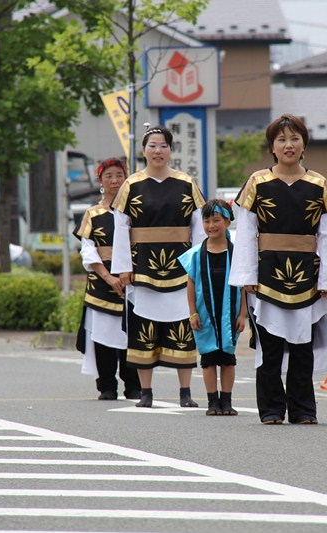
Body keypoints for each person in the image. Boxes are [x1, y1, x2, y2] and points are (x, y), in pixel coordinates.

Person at [229, 114, 327, 425]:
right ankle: (271, 410)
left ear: (304, 144)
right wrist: (247, 277)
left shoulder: (319, 185)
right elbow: (247, 233)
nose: (288, 145)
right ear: (272, 147)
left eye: (294, 139)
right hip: (267, 273)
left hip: (308, 274)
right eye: (281, 140)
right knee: (270, 346)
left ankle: (304, 410)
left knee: (302, 346)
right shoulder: (257, 182)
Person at [111, 125, 206, 409]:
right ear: (144, 150)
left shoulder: (187, 183)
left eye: (163, 145)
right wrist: (123, 267)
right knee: (144, 327)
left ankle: (185, 391)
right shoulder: (131, 185)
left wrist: (198, 266)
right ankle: (146, 391)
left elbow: (198, 229)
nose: (158, 151)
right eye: (152, 145)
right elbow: (120, 229)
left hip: (180, 267)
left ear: (171, 149)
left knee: (183, 327)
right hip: (143, 268)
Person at [73, 158, 140, 401]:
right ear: (100, 180)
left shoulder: (134, 212)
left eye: (119, 175)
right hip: (101, 285)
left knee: (131, 335)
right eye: (109, 176)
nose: (114, 180)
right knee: (101, 337)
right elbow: (88, 250)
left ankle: (133, 385)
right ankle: (107, 385)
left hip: (131, 281)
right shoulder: (93, 214)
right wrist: (108, 277)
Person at [180, 199, 247, 416]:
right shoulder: (196, 254)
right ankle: (212, 402)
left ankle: (226, 401)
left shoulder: (237, 253)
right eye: (207, 221)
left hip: (230, 313)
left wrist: (243, 314)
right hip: (204, 313)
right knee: (208, 358)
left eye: (216, 220)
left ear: (227, 222)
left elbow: (244, 287)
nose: (211, 225)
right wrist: (192, 312)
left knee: (227, 358)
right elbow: (190, 285)